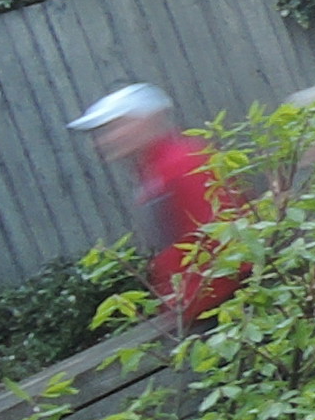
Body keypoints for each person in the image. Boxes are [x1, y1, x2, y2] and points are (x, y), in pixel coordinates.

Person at [64, 82, 234, 327]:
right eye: (102, 132)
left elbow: (222, 235)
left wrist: (194, 304)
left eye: (114, 127)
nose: (104, 140)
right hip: (196, 309)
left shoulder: (184, 164)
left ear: (146, 121)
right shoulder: (154, 172)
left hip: (219, 309)